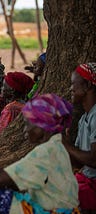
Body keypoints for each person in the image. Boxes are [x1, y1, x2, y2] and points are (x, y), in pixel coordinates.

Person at [0, 94, 79, 213]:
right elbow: (9, 180)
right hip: (61, 208)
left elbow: (0, 180)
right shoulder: (56, 145)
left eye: (27, 123)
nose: (24, 129)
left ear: (42, 127)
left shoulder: (47, 150)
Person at [63, 63, 96, 211]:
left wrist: (67, 146)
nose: (70, 89)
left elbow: (94, 160)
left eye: (73, 84)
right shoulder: (85, 118)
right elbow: (78, 162)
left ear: (88, 85)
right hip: (86, 180)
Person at [0, 71, 34, 141]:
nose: (1, 88)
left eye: (3, 86)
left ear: (12, 90)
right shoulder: (23, 104)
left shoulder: (10, 108)